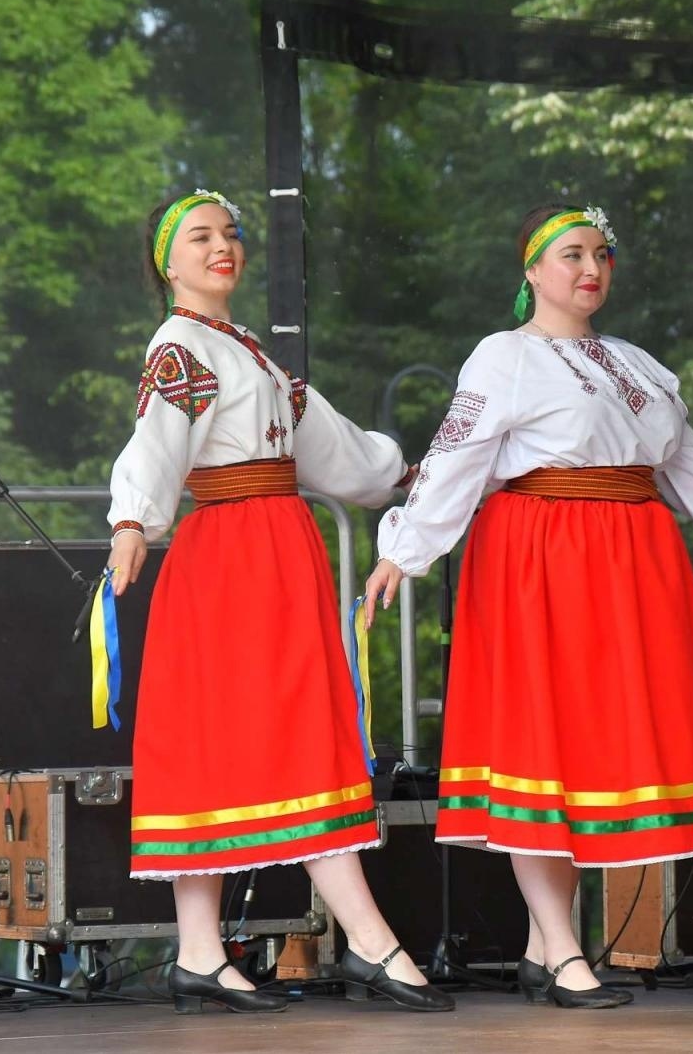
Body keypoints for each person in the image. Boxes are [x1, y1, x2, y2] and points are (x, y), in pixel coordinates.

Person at [363, 203, 693, 1009]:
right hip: (543, 559)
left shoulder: (639, 364)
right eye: (571, 254)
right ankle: (565, 950)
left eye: (602, 253)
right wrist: (407, 546)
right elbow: (456, 458)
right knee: (545, 748)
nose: (591, 267)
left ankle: (543, 948)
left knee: (591, 757)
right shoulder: (504, 358)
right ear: (532, 272)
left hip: (634, 560)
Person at [105, 189, 451, 1014]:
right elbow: (154, 444)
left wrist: (402, 475)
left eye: (231, 234)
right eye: (201, 237)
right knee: (271, 735)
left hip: (272, 555)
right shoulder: (179, 348)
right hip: (230, 559)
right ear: (168, 261)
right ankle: (368, 939)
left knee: (230, 738)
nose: (223, 246)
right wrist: (132, 522)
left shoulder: (248, 352)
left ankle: (198, 951)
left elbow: (330, 446)